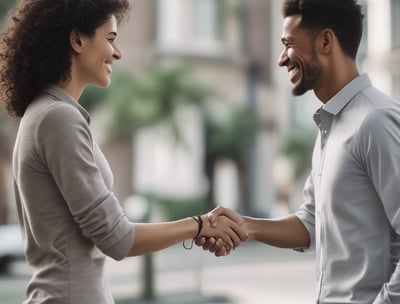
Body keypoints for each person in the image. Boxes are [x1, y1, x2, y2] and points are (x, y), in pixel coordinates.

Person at [0, 1, 247, 303]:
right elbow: (117, 239)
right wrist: (198, 225)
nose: (117, 53)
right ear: (77, 40)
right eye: (111, 39)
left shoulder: (43, 113)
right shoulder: (57, 118)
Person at [198, 0, 400, 302]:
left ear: (326, 41)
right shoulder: (331, 126)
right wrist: (245, 226)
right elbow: (310, 222)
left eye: (288, 44)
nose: (282, 59)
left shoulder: (376, 120)